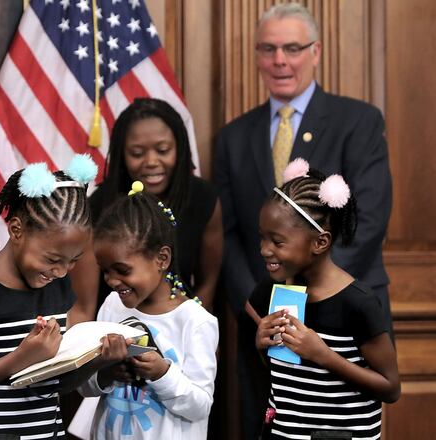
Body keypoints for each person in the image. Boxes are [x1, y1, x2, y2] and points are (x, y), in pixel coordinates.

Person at [213, 4, 393, 437]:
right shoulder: (234, 136)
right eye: (269, 48)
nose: (280, 60)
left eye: (292, 48)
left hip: (345, 315)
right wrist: (259, 304)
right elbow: (231, 234)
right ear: (257, 55)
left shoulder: (360, 120)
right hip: (266, 322)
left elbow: (367, 220)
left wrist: (318, 293)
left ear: (316, 51)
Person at [0, 155, 119, 439]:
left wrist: (101, 362)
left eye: (73, 261)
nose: (62, 272)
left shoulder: (57, 290)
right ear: (16, 230)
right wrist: (19, 358)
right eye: (53, 259)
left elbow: (49, 384)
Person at [248, 159, 399, 439]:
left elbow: (390, 388)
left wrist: (324, 356)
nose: (264, 250)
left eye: (277, 242)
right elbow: (287, 376)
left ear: (320, 242)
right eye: (262, 238)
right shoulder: (275, 289)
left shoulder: (358, 303)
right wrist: (261, 345)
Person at [71, 183, 218, 439]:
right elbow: (85, 386)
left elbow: (200, 406)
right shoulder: (112, 306)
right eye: (105, 270)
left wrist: (163, 373)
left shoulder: (195, 321)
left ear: (161, 259)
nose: (112, 281)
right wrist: (105, 372)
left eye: (123, 270)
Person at [70, 98, 222, 327]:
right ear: (122, 153)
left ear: (180, 148)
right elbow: (85, 305)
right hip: (113, 329)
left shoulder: (203, 199)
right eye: (137, 152)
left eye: (163, 150)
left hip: (179, 326)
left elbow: (208, 282)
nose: (151, 162)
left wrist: (191, 328)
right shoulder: (99, 206)